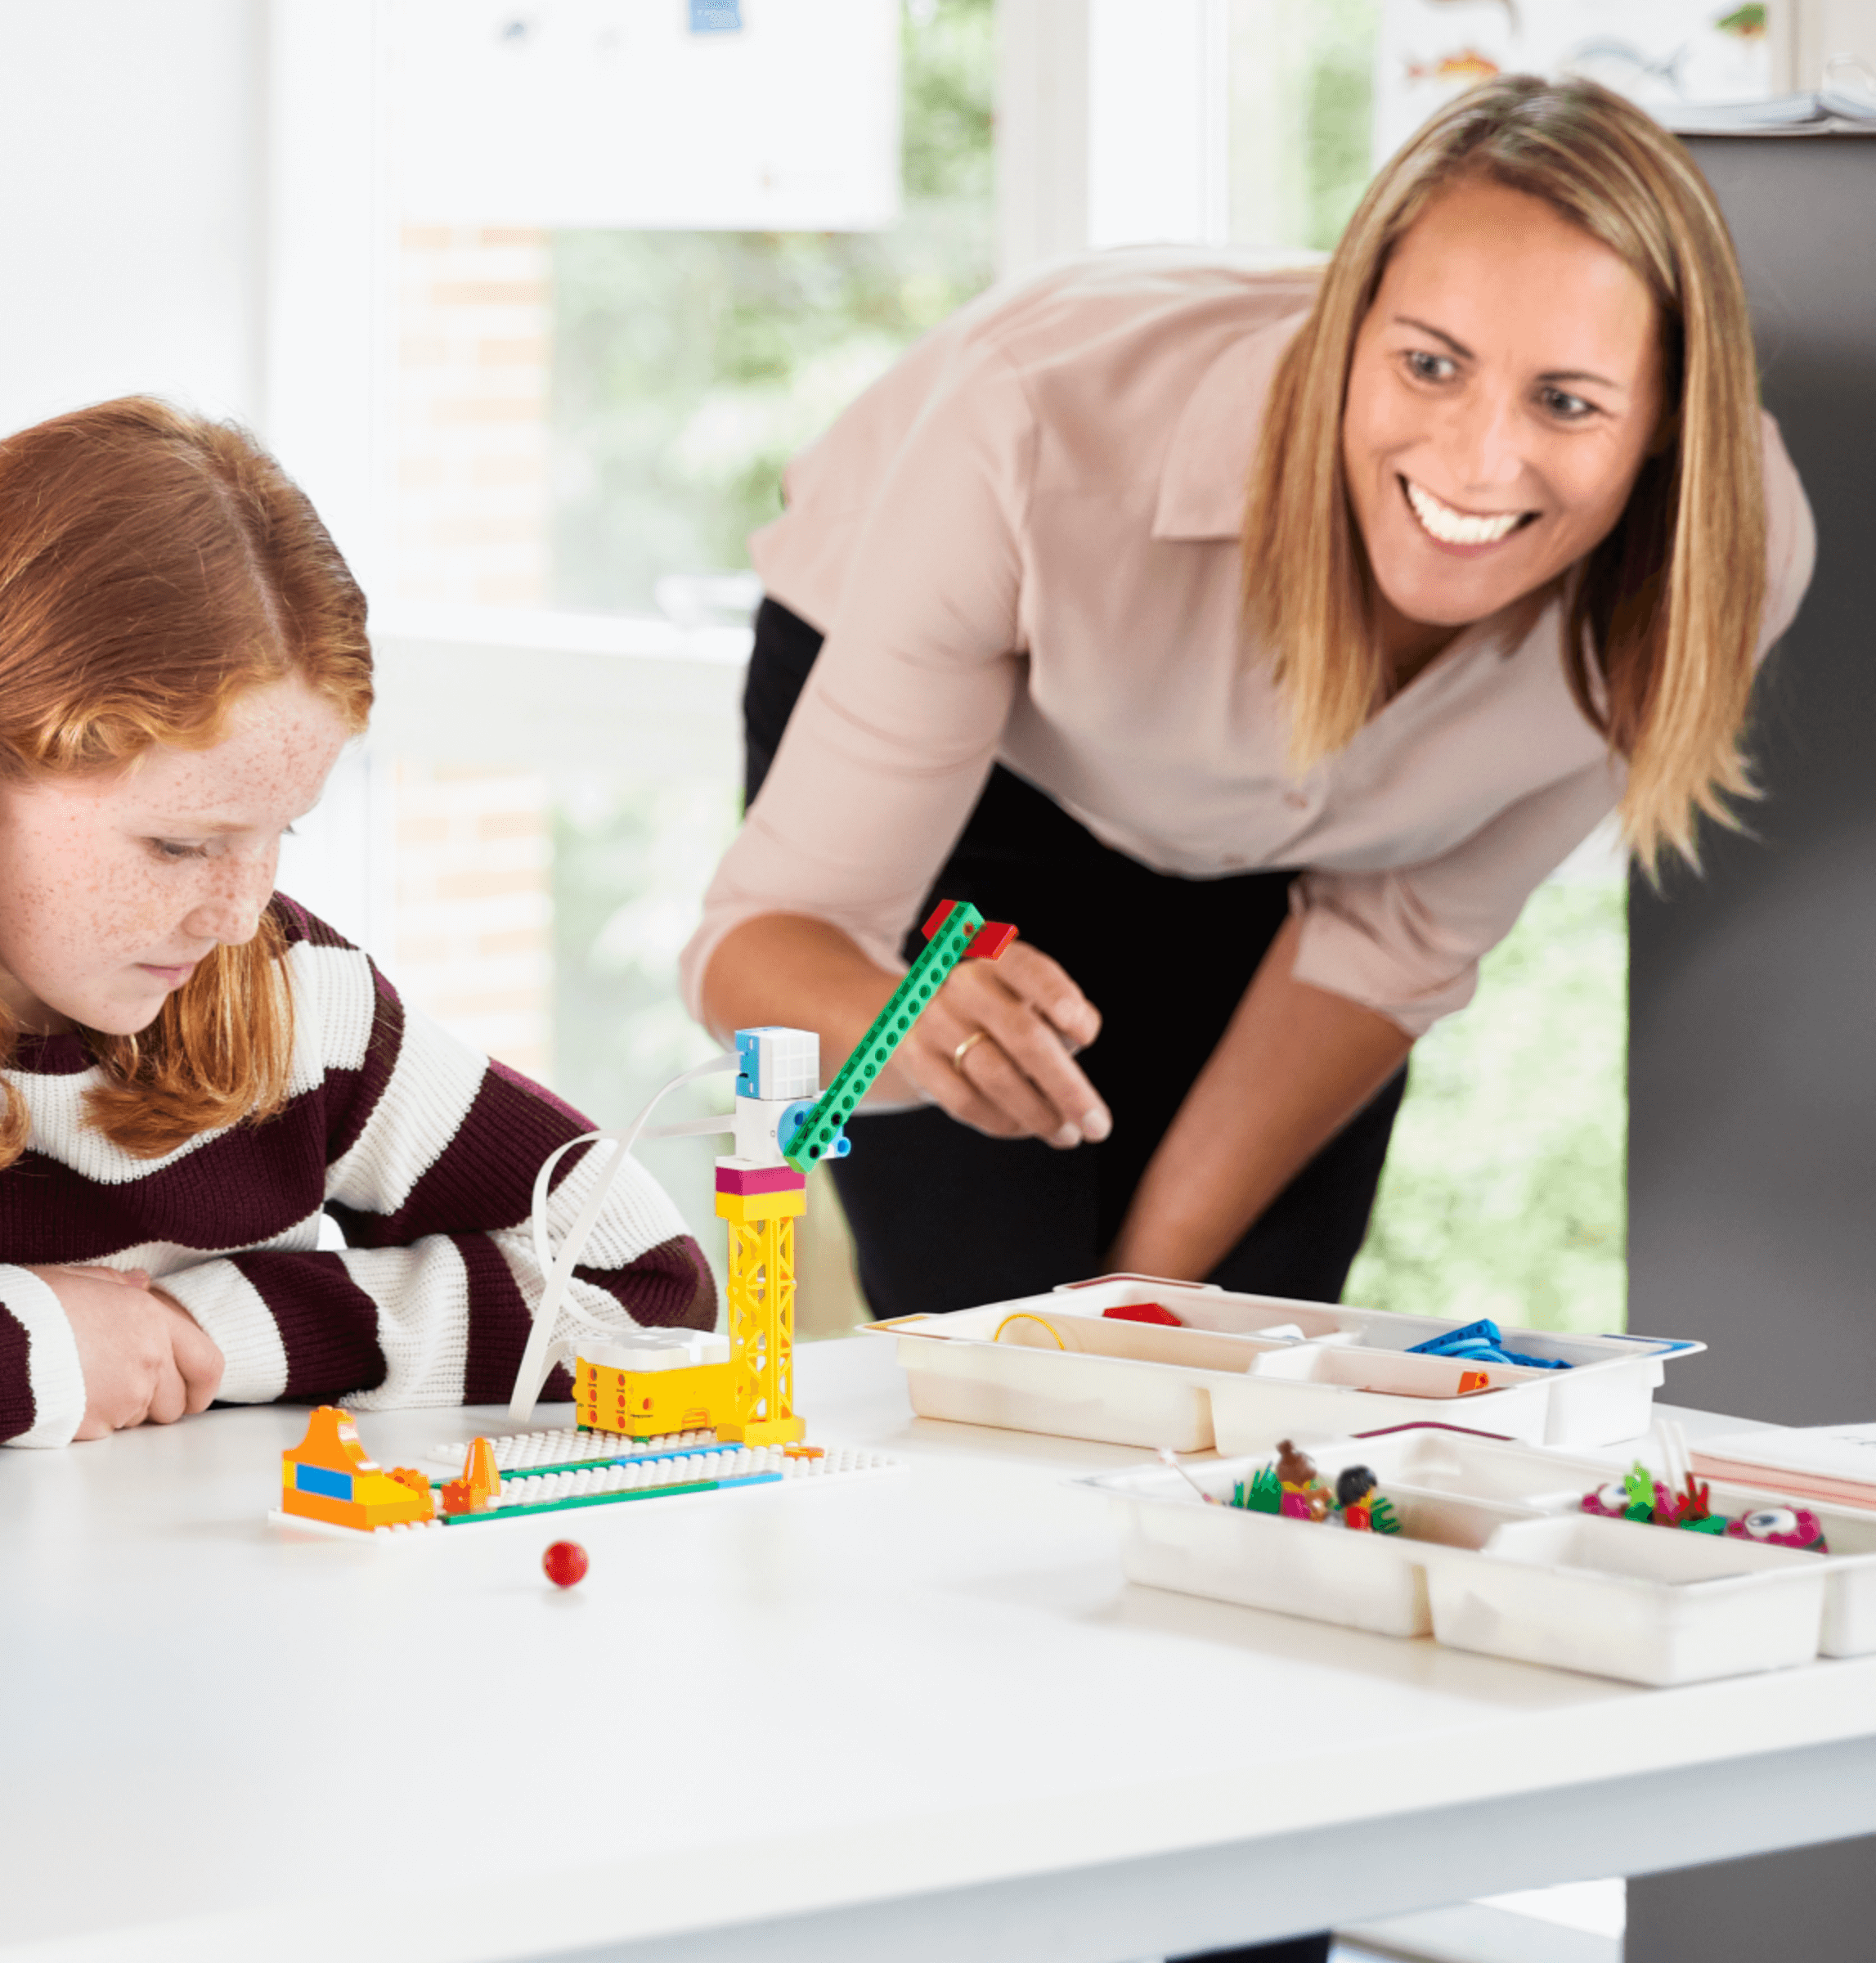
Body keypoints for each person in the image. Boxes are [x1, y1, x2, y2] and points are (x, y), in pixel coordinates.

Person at [691, 77, 1813, 1327]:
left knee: (1238, 1335)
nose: (1477, 462)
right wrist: (904, 1027)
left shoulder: (1725, 555)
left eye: (1567, 401)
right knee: (988, 1321)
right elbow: (756, 946)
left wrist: (1142, 1302)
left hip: (1310, 856)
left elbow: (1396, 936)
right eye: (1429, 364)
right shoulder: (1028, 436)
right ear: (1349, 327)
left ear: (1665, 422)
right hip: (991, 763)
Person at [0, 398, 716, 1477]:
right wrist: (37, 1345)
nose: (236, 914)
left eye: (278, 835)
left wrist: (211, 1330)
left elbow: (641, 1281)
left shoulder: (288, 993)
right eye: (179, 847)